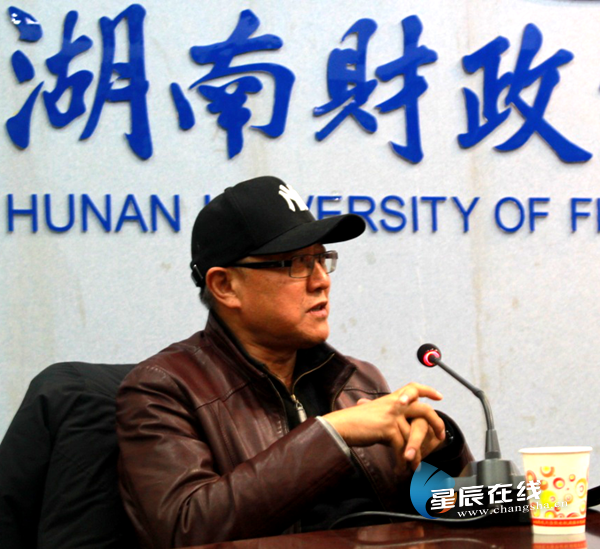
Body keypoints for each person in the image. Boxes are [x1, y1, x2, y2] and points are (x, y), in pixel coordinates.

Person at [116, 176, 472, 548]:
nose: (321, 281)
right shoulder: (162, 389)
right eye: (298, 264)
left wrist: (442, 449)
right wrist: (331, 434)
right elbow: (184, 529)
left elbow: (453, 513)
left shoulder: (359, 382)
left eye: (321, 260)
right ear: (225, 286)